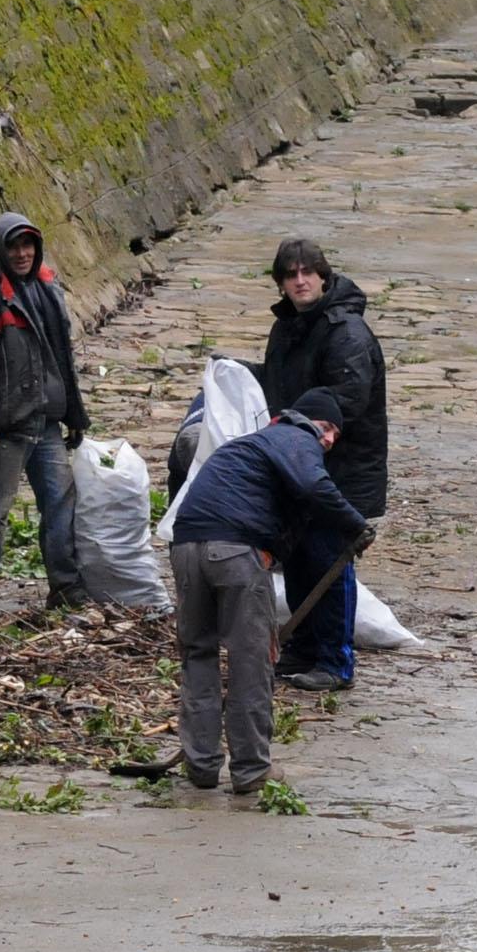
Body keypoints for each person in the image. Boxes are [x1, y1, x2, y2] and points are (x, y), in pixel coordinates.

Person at [166, 389, 371, 794]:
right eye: (326, 428)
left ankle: (202, 765)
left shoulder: (247, 447)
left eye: (334, 436)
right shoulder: (295, 438)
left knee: (198, 654)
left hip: (185, 548)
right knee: (251, 659)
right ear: (302, 419)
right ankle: (251, 768)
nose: (328, 440)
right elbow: (315, 486)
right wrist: (356, 524)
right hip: (233, 551)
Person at [254, 237, 387, 691]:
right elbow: (280, 383)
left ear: (323, 276)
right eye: (290, 275)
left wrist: (296, 428)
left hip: (340, 469)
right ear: (281, 284)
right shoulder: (290, 328)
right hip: (299, 462)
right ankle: (304, 647)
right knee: (298, 557)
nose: (300, 280)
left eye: (307, 272)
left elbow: (347, 400)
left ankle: (335, 660)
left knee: (330, 563)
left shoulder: (345, 333)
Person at [0, 211, 89, 615]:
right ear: (0, 251)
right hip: (5, 428)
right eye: (14, 247)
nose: (23, 253)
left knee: (61, 503)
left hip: (44, 421)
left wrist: (73, 416)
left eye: (28, 245)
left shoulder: (46, 288)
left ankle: (65, 586)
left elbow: (60, 357)